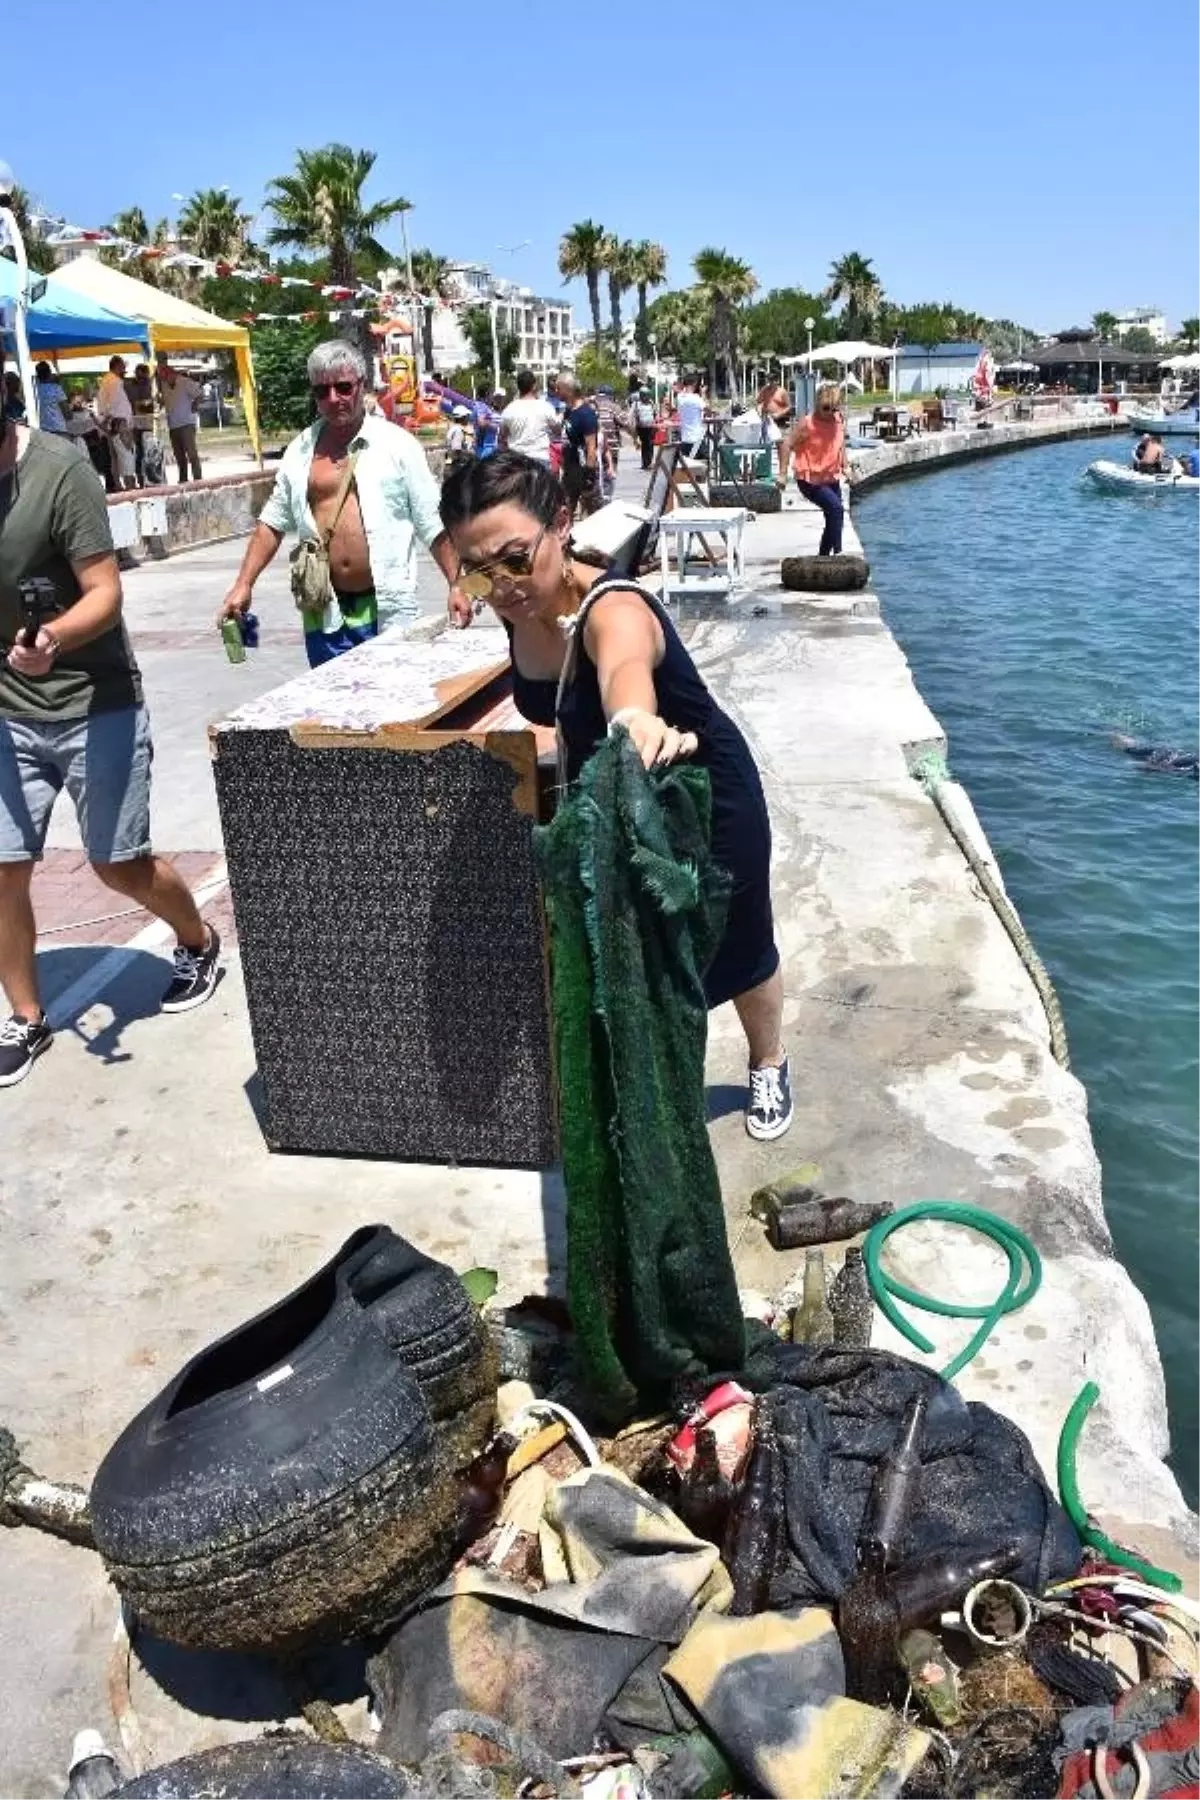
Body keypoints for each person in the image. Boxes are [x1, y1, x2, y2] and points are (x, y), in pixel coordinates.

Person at [440, 451, 793, 1141]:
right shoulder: (519, 607)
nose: (502, 585)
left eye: (515, 559)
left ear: (562, 524)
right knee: (646, 962)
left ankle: (769, 1061)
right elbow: (561, 705)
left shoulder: (615, 608)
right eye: (479, 571)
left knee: (741, 947)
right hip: (619, 803)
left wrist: (634, 721)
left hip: (707, 798)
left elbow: (624, 676)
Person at [0, 352, 222, 1086]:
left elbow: (105, 592)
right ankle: (26, 1017)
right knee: (1, 869)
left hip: (94, 700)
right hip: (9, 711)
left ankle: (196, 939)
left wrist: (55, 637)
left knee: (115, 861)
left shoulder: (60, 471)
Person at [217, 339, 465, 666]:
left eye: (343, 387)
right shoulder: (301, 451)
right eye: (322, 391)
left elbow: (432, 522)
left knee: (393, 706)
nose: (334, 399)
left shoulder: (397, 446)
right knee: (330, 712)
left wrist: (457, 584)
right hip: (325, 612)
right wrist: (243, 584)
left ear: (362, 386)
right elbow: (272, 523)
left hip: (387, 609)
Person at [787, 383, 849, 555]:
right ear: (817, 404)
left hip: (831, 477)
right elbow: (787, 445)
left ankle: (823, 557)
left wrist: (846, 465)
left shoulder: (838, 420)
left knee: (834, 517)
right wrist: (782, 475)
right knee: (836, 509)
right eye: (826, 408)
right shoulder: (807, 423)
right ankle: (838, 553)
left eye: (834, 408)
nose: (830, 412)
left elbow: (841, 443)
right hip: (809, 481)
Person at [555, 375, 601, 520]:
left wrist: (589, 474)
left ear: (568, 390)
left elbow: (591, 446)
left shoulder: (586, 414)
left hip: (583, 470)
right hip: (570, 470)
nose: (556, 391)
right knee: (564, 511)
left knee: (593, 513)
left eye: (558, 388)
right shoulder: (569, 412)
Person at [156, 355, 203, 483]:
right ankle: (183, 480)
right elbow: (165, 401)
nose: (164, 380)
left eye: (165, 377)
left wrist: (195, 405)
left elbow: (199, 393)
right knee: (179, 456)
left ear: (171, 373)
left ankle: (198, 480)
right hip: (173, 425)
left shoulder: (184, 382)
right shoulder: (164, 385)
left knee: (192, 454)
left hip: (187, 423)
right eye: (163, 378)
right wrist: (159, 403)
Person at [499, 370, 559, 465]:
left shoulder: (508, 410)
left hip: (516, 460)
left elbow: (502, 437)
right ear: (534, 386)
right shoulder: (545, 407)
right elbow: (557, 431)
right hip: (539, 458)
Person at [95, 355, 136, 492]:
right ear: (117, 366)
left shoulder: (107, 380)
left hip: (113, 423)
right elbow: (111, 405)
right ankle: (129, 488)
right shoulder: (114, 381)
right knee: (126, 457)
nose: (124, 369)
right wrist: (108, 420)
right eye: (123, 366)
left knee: (116, 458)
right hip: (119, 423)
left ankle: (120, 485)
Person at [127, 362, 157, 484]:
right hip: (137, 424)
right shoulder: (131, 386)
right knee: (139, 452)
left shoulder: (150, 384)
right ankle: (141, 478)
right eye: (138, 375)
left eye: (142, 376)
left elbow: (151, 405)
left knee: (148, 450)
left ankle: (150, 477)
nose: (140, 378)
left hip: (147, 423)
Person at [757, 378, 793, 476]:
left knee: (781, 445)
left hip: (780, 420)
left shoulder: (782, 392)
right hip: (767, 419)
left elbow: (789, 406)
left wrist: (779, 413)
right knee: (765, 443)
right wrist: (760, 411)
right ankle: (763, 470)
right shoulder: (765, 390)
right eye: (770, 380)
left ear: (777, 381)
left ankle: (783, 471)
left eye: (773, 380)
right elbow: (759, 402)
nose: (771, 382)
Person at [34, 364, 69, 437]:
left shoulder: (35, 391)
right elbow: (67, 412)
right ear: (49, 372)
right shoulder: (56, 389)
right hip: (59, 429)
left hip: (43, 431)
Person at [675, 378, 706, 456]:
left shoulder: (680, 398)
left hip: (685, 437)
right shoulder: (696, 398)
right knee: (701, 464)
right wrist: (703, 393)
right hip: (696, 438)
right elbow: (707, 410)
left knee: (687, 464)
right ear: (694, 385)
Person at [633, 388, 657, 470]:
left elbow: (655, 413)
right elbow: (634, 416)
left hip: (650, 427)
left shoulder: (651, 403)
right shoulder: (636, 404)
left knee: (650, 445)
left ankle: (649, 462)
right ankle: (645, 463)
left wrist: (655, 424)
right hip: (641, 428)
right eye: (644, 395)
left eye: (647, 395)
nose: (645, 397)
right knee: (644, 445)